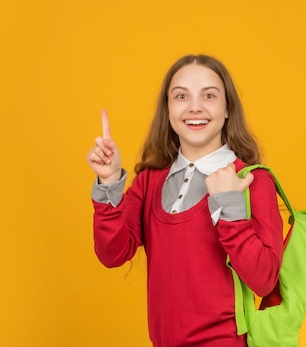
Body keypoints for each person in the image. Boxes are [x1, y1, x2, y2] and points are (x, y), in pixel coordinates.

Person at [87, 54, 284, 347]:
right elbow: (112, 253)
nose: (195, 107)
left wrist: (230, 205)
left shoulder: (252, 181)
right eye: (181, 96)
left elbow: (265, 280)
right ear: (168, 110)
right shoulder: (150, 181)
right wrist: (109, 181)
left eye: (209, 95)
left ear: (227, 108)